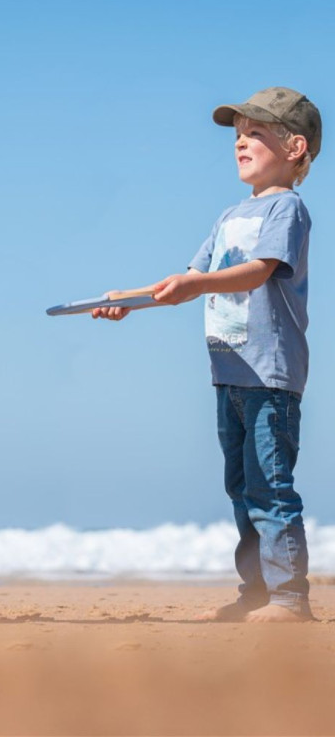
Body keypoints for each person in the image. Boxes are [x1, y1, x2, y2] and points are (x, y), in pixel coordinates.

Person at [93, 87, 321, 623]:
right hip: (228, 370)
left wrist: (194, 288)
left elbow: (259, 270)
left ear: (295, 148)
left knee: (270, 487)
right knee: (241, 489)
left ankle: (290, 598)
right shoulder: (228, 216)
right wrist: (131, 300)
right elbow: (191, 279)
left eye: (255, 134)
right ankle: (257, 595)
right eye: (238, 136)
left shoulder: (286, 209)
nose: (241, 143)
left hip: (270, 373)